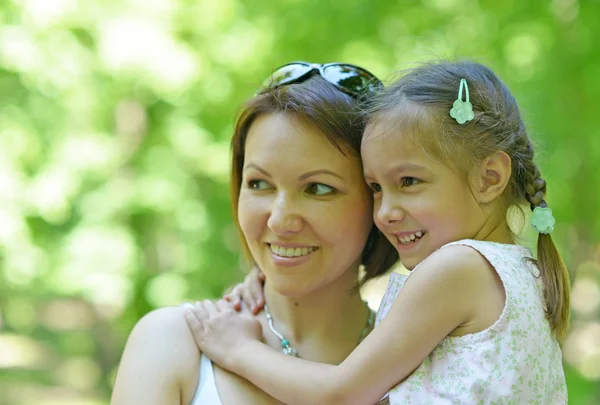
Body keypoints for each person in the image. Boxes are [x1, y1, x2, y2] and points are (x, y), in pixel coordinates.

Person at [184, 60, 570, 404]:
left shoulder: (456, 270)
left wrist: (237, 348)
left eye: (409, 181)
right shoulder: (521, 273)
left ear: (489, 178)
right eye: (376, 188)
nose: (384, 212)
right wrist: (270, 273)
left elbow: (340, 393)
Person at [110, 62, 398, 405]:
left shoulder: (425, 365)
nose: (278, 220)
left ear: (376, 199)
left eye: (318, 188)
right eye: (259, 184)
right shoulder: (173, 342)